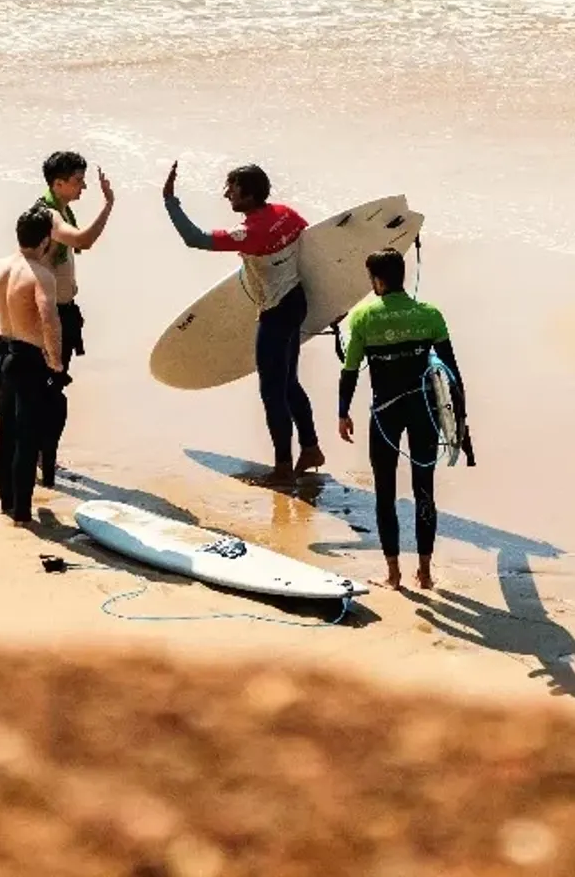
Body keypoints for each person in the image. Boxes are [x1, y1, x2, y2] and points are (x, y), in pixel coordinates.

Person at [163, 159, 324, 482]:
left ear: (249, 195)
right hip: (297, 301)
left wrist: (170, 201)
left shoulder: (249, 232)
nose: (226, 195)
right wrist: (334, 302)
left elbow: (194, 238)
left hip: (276, 312)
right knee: (288, 381)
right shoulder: (286, 214)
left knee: (272, 391)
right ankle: (310, 448)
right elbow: (316, 250)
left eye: (232, 189)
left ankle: (282, 467)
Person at [336, 247, 472, 590]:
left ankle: (393, 575)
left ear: (377, 280)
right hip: (424, 412)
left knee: (385, 492)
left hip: (385, 414)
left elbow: (350, 370)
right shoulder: (429, 314)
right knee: (423, 489)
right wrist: (461, 425)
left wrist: (343, 411)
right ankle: (425, 572)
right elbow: (452, 373)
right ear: (402, 276)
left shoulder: (363, 317)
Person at [0, 206, 65, 525]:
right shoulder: (41, 275)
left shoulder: (0, 266)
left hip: (5, 356)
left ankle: (6, 503)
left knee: (6, 433)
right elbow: (49, 319)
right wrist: (55, 362)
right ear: (46, 241)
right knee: (27, 437)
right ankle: (23, 514)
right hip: (29, 362)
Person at [32, 151, 114, 487]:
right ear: (58, 183)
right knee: (50, 393)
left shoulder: (64, 209)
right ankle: (43, 462)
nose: (83, 187)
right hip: (49, 316)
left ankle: (42, 457)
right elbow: (83, 242)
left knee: (49, 391)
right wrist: (109, 204)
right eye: (78, 181)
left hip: (63, 311)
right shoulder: (49, 215)